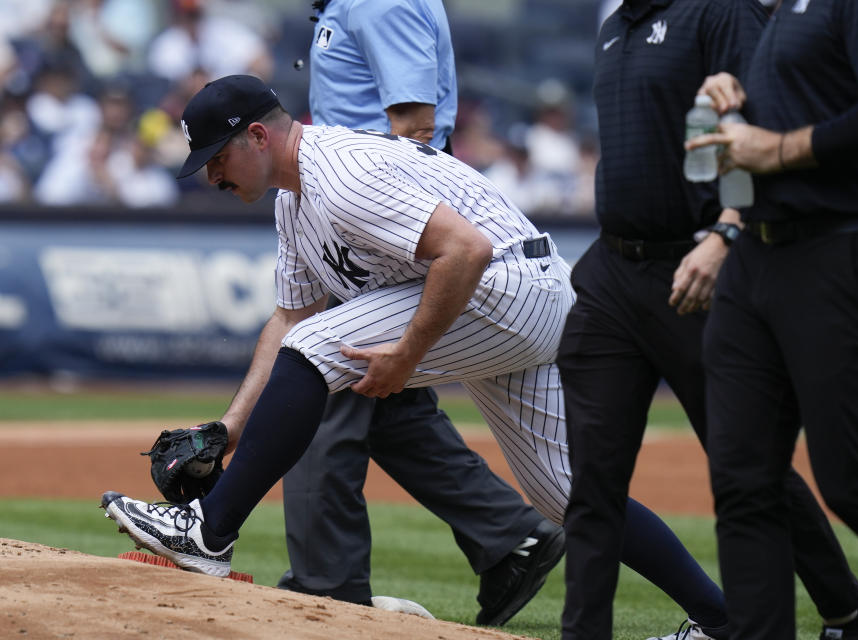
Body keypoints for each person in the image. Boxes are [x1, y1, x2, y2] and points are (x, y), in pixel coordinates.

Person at [100, 75, 578, 627]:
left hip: (511, 284)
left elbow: (466, 249)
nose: (211, 176)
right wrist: (228, 429)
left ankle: (213, 531)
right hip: (491, 286)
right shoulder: (293, 203)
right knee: (568, 497)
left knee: (318, 355)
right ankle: (704, 613)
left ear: (257, 136)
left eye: (217, 158)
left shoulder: (344, 173)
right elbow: (288, 316)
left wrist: (405, 352)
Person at [557, 2, 858, 639]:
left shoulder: (718, 12)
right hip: (612, 272)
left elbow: (766, 124)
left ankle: (846, 609)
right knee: (592, 480)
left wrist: (727, 233)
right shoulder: (611, 29)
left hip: (701, 267)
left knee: (747, 466)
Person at [277, 0, 561, 627]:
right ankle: (509, 535)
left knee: (324, 379)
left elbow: (414, 126)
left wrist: (378, 244)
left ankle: (327, 583)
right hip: (357, 213)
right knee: (387, 400)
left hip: (379, 218)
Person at [685, 0, 858, 637]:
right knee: (744, 482)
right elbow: (802, 111)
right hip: (759, 253)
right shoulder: (785, 11)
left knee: (855, 482)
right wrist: (736, 107)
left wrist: (774, 147)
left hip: (849, 251)